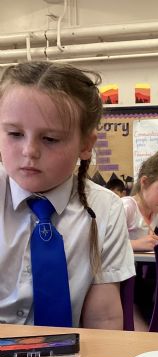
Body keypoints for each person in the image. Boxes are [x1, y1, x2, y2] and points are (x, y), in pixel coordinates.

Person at [0, 61, 134, 329]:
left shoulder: (105, 209)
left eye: (50, 139)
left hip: (64, 350)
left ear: (86, 145)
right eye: (14, 134)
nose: (29, 151)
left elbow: (104, 317)